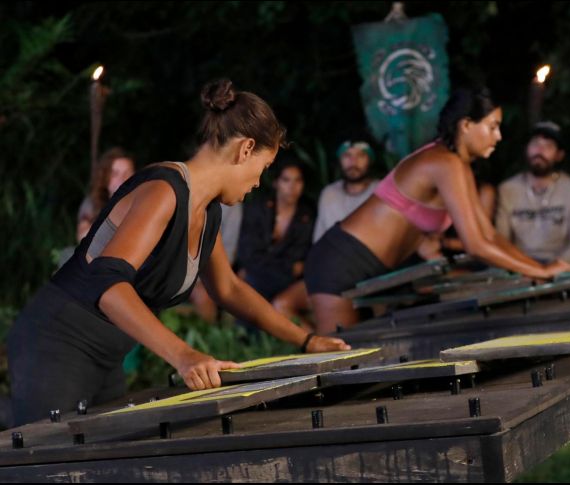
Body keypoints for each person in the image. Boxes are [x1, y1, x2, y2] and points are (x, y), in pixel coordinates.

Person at [8, 79, 349, 426]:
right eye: (263, 168)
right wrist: (184, 356)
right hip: (58, 341)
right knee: (45, 460)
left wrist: (306, 340)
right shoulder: (164, 189)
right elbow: (108, 286)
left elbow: (229, 290)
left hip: (109, 353)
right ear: (245, 149)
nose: (259, 182)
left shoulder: (208, 211)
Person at [304, 88, 570, 334]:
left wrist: (540, 270)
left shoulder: (458, 166)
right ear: (466, 125)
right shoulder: (443, 162)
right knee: (341, 362)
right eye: (492, 127)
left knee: (362, 364)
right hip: (339, 262)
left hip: (373, 271)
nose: (499, 136)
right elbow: (476, 245)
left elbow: (488, 234)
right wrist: (543, 271)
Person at [272, 139, 380, 328]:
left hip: (372, 275)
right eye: (347, 155)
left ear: (370, 159)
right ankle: (315, 342)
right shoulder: (329, 193)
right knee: (281, 305)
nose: (353, 161)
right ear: (339, 160)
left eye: (360, 155)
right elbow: (320, 244)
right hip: (332, 275)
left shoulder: (381, 192)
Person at [495, 121, 570, 264]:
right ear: (526, 149)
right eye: (535, 144)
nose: (540, 151)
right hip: (518, 266)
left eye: (548, 146)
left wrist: (553, 267)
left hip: (561, 267)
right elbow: (501, 239)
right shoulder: (507, 189)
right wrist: (524, 266)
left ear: (559, 155)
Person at [236, 157, 315, 304]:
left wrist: (291, 267)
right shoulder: (258, 208)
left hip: (283, 281)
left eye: (298, 181)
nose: (292, 187)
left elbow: (300, 261)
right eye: (286, 180)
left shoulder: (307, 215)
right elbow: (247, 253)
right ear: (276, 182)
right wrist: (289, 267)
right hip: (258, 276)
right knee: (248, 283)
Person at [77, 147, 136, 242]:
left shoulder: (141, 200)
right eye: (115, 174)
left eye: (127, 173)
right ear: (105, 176)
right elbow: (82, 236)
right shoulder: (92, 202)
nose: (122, 179)